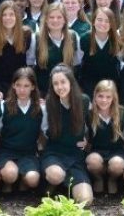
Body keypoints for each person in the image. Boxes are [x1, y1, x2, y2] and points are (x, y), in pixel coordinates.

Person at [41, 64, 92, 205]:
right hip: (54, 153)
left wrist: (87, 141)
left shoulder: (84, 101)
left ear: (71, 82)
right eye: (55, 83)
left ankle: (62, 186)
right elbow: (43, 131)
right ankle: (54, 182)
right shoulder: (49, 103)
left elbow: (92, 126)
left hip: (75, 155)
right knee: (56, 175)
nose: (60, 87)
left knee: (85, 201)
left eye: (63, 82)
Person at [0, 67, 43, 192]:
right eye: (18, 85)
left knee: (33, 180)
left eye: (26, 86)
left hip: (28, 153)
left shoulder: (40, 109)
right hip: (7, 152)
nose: (22, 90)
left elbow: (45, 133)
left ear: (33, 87)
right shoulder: (4, 106)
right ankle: (8, 181)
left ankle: (23, 178)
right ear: (13, 86)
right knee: (10, 175)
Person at [85, 80, 124, 194]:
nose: (104, 100)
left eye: (108, 97)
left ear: (114, 97)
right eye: (100, 96)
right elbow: (85, 137)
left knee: (117, 164)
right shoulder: (89, 114)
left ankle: (112, 179)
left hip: (116, 151)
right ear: (95, 96)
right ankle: (98, 178)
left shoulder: (122, 112)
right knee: (93, 161)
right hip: (96, 151)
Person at [0, 1, 36, 94]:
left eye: (11, 14)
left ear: (17, 16)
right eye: (4, 15)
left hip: (20, 86)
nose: (8, 18)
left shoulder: (27, 35)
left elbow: (30, 62)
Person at [35, 2, 81, 96]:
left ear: (65, 20)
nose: (55, 20)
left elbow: (77, 64)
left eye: (59, 17)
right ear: (46, 20)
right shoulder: (36, 38)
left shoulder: (73, 36)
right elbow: (31, 65)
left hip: (68, 91)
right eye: (51, 17)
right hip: (44, 92)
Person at [79, 7, 121, 99]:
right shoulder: (84, 39)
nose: (103, 23)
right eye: (99, 20)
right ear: (93, 21)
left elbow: (120, 65)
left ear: (112, 24)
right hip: (89, 86)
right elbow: (78, 63)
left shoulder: (117, 40)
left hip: (110, 86)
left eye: (107, 21)